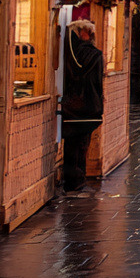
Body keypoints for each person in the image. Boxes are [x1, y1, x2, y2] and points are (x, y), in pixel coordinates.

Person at [61, 20, 104, 192]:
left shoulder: (77, 53)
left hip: (77, 105)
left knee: (75, 145)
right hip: (89, 105)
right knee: (80, 144)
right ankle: (77, 179)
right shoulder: (93, 54)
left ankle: (75, 180)